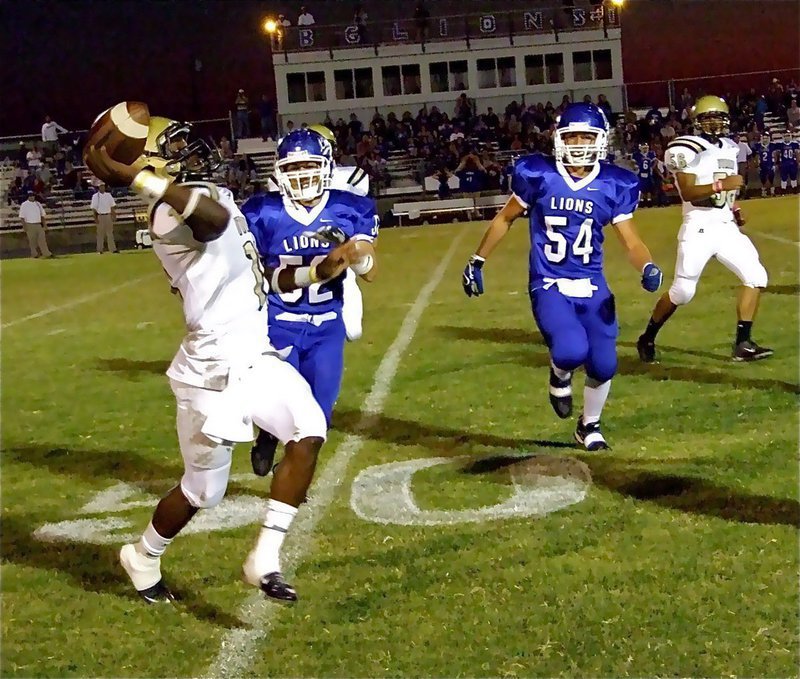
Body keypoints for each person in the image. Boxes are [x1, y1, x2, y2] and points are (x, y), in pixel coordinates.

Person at [84, 115, 359, 604]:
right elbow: (209, 224)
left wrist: (317, 270)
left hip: (254, 355)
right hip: (209, 369)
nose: (189, 150)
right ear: (149, 164)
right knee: (202, 492)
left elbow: (259, 276)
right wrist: (140, 180)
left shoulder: (215, 198)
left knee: (309, 427)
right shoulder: (168, 213)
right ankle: (144, 554)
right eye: (172, 147)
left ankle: (265, 559)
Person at [462, 103, 663, 450]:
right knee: (570, 350)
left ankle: (589, 425)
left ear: (601, 141)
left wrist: (647, 266)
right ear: (559, 139)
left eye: (587, 136)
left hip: (592, 283)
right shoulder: (539, 174)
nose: (580, 144)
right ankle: (559, 375)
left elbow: (631, 240)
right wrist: (477, 260)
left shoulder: (614, 183)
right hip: (550, 281)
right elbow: (504, 219)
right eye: (573, 137)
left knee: (605, 363)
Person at [245, 128, 379, 476]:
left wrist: (358, 255)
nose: (303, 175)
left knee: (318, 418)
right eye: (293, 169)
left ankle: (289, 473)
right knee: (280, 404)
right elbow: (251, 271)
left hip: (326, 324)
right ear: (279, 172)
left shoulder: (347, 206)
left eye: (310, 166)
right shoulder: (263, 212)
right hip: (278, 323)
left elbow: (371, 270)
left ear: (326, 167)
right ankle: (269, 440)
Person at [636, 96, 772, 363]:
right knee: (683, 292)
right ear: (697, 121)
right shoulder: (684, 147)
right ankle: (647, 337)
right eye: (707, 117)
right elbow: (687, 192)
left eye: (718, 117)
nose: (713, 122)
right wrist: (721, 187)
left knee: (756, 277)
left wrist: (733, 208)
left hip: (725, 226)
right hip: (698, 225)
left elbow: (726, 187)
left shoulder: (731, 147)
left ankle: (743, 343)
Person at [19, 192, 53, 258]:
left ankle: (46, 253)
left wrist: (45, 225)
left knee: (42, 239)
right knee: (32, 240)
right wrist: (24, 226)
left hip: (38, 224)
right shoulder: (24, 204)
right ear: (28, 197)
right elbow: (22, 216)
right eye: (30, 196)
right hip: (29, 224)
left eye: (33, 196)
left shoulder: (38, 204)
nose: (32, 197)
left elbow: (42, 215)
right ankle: (34, 254)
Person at [90, 182, 117, 253]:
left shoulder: (108, 195)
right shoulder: (95, 196)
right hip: (100, 215)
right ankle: (99, 249)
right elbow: (94, 208)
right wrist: (95, 218)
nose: (102, 188)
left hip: (108, 215)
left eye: (103, 186)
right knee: (100, 234)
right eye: (101, 186)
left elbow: (112, 206)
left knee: (110, 233)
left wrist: (113, 215)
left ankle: (113, 249)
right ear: (98, 187)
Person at [632, 142, 656, 206]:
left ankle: (649, 201)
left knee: (648, 188)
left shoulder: (650, 153)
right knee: (641, 188)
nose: (645, 149)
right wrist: (635, 167)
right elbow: (633, 163)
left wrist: (652, 167)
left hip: (648, 173)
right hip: (640, 173)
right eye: (644, 148)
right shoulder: (637, 155)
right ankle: (642, 201)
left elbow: (655, 161)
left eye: (646, 148)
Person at [753, 133, 776, 197]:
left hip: (770, 164)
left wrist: (774, 163)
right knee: (763, 179)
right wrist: (757, 164)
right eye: (763, 138)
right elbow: (756, 156)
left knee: (771, 179)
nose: (765, 140)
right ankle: (763, 192)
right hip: (762, 165)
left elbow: (775, 154)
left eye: (766, 138)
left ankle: (772, 191)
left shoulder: (772, 145)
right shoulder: (758, 146)